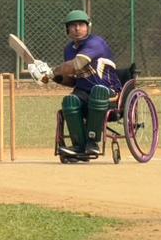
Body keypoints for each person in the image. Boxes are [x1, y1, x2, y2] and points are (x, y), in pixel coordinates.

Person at [44, 9, 123, 159]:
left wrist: (54, 70)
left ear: (88, 27)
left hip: (109, 91)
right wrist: (52, 77)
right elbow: (73, 80)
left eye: (81, 24)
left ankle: (92, 143)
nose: (77, 28)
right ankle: (79, 146)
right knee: (70, 101)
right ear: (67, 29)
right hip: (84, 92)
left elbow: (77, 64)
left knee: (97, 92)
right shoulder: (68, 49)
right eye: (73, 25)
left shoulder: (96, 42)